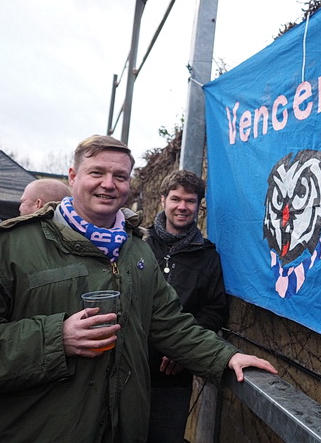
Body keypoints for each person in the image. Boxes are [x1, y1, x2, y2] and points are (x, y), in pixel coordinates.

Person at [0, 135, 277, 443]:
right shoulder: (9, 247)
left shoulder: (136, 251)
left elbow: (170, 324)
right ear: (73, 176)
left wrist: (227, 357)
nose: (109, 184)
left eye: (120, 176)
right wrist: (56, 338)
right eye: (97, 173)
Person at [145, 170, 229, 442]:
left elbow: (215, 310)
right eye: (176, 199)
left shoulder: (207, 256)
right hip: (127, 366)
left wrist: (184, 349)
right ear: (163, 201)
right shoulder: (137, 244)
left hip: (172, 376)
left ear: (198, 206)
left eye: (190, 201)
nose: (182, 207)